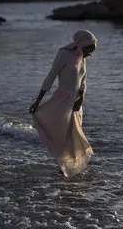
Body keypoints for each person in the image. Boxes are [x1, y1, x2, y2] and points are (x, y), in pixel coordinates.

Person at [29, 30, 97, 177]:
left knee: (72, 136)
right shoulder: (64, 54)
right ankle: (63, 170)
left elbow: (83, 81)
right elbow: (50, 77)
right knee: (64, 136)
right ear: (82, 45)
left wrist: (81, 98)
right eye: (89, 50)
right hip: (62, 102)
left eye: (92, 51)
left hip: (76, 104)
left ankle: (65, 170)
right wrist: (38, 101)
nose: (90, 54)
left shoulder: (82, 56)